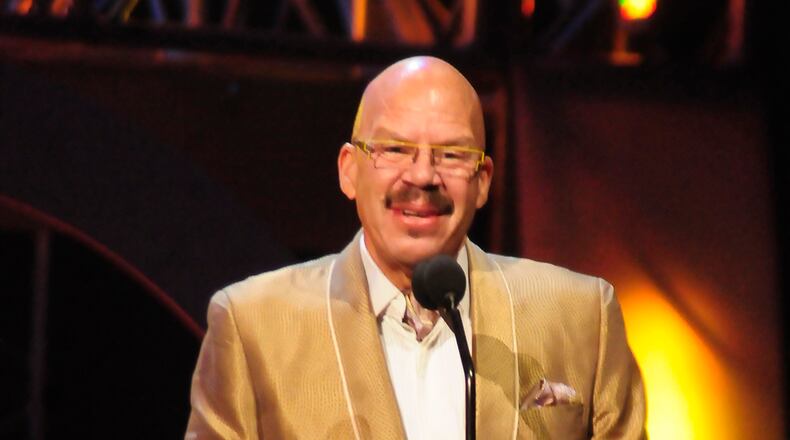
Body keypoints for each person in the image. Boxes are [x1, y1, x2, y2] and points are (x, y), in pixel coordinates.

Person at [186, 56, 646, 439]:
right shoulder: (253, 325)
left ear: (483, 181)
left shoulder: (582, 316)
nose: (423, 176)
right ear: (349, 170)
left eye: (451, 153)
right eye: (395, 149)